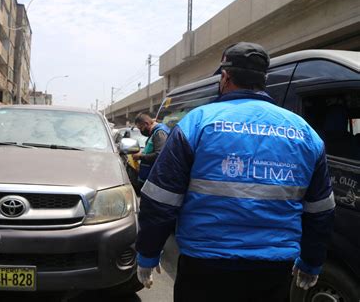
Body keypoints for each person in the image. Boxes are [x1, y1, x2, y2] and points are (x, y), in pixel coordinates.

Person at [135, 42, 335, 302]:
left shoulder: (196, 123)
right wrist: (311, 262)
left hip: (204, 268)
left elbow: (160, 199)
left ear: (225, 77)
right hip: (272, 271)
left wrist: (148, 254)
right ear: (264, 80)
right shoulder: (305, 133)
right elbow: (320, 211)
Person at [131, 113, 170, 190]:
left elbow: (159, 155)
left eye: (141, 128)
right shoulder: (154, 132)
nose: (141, 131)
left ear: (146, 123)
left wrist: (140, 156)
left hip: (153, 180)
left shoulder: (160, 133)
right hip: (148, 177)